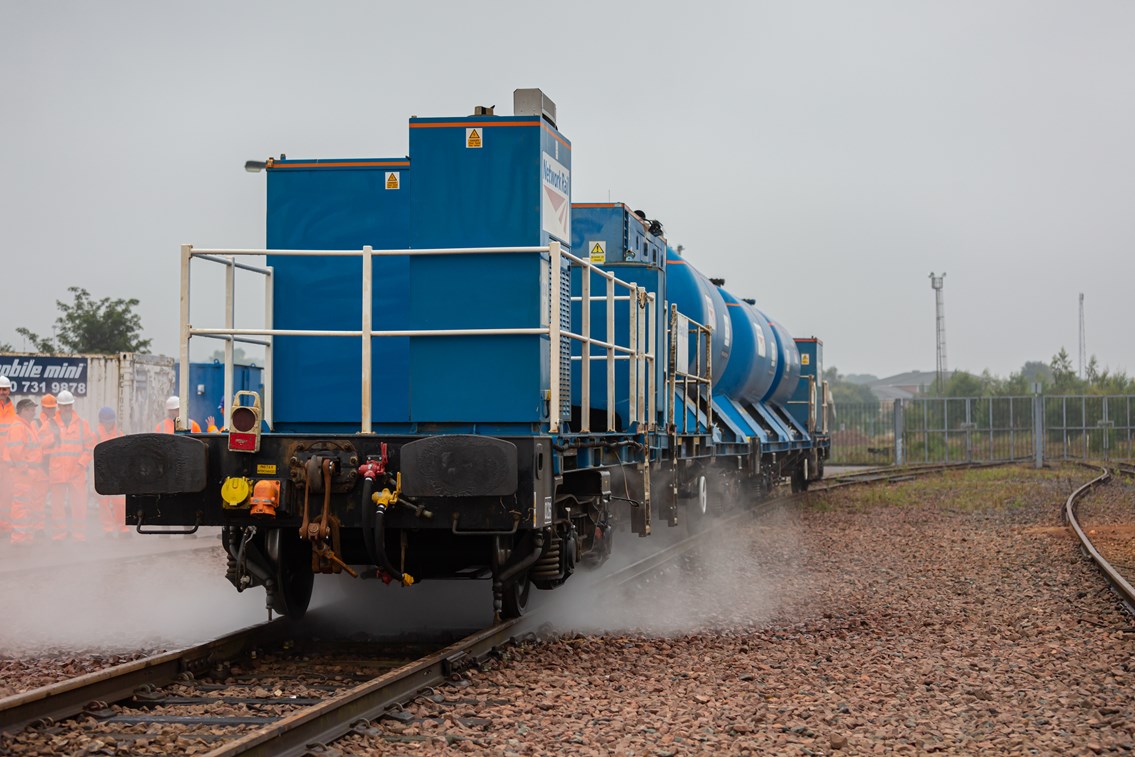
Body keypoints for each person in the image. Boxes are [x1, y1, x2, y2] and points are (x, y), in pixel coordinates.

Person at [45, 390, 92, 541]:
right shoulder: (50, 424)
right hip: (57, 471)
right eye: (63, 406)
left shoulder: (82, 424)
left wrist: (81, 464)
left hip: (76, 472)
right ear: (58, 406)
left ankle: (79, 535)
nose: (66, 409)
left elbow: (90, 447)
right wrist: (53, 438)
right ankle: (59, 535)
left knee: (79, 505)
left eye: (68, 406)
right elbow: (42, 447)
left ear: (72, 405)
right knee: (57, 506)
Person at [7, 398, 46, 545]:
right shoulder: (18, 427)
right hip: (24, 474)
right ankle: (19, 538)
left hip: (30, 473)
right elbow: (16, 451)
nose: (34, 412)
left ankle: (26, 536)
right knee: (21, 506)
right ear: (23, 410)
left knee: (28, 505)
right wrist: (24, 469)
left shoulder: (27, 426)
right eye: (31, 410)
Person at [95, 406, 128, 536]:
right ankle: (107, 530)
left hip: (117, 474)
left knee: (120, 503)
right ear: (101, 421)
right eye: (106, 421)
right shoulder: (96, 435)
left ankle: (122, 529)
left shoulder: (120, 435)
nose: (109, 423)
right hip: (101, 474)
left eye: (110, 420)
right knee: (104, 504)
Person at [0, 376, 16, 540]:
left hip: (8, 461)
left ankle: (4, 525)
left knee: (7, 494)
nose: (2, 392)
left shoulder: (13, 410)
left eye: (4, 389)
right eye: (0, 389)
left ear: (9, 390)